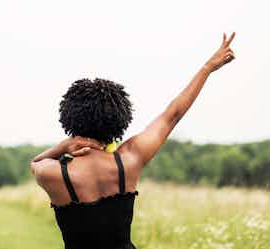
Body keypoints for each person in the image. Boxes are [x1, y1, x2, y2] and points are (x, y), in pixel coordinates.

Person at [30, 32, 237, 249]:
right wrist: (207, 68)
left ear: (69, 118)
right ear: (119, 118)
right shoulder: (129, 160)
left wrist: (63, 146)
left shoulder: (52, 173)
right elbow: (172, 115)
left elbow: (35, 163)